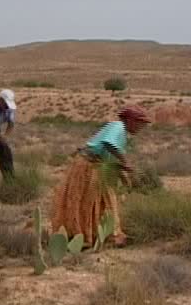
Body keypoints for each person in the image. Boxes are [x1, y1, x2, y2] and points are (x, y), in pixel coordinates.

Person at [51, 106, 151, 248]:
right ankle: (86, 235)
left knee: (101, 201)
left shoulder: (123, 134)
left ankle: (99, 235)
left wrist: (124, 173)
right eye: (139, 122)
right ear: (129, 120)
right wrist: (125, 162)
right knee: (87, 200)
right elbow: (109, 144)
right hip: (88, 165)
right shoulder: (118, 126)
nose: (141, 127)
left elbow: (109, 156)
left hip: (97, 166)